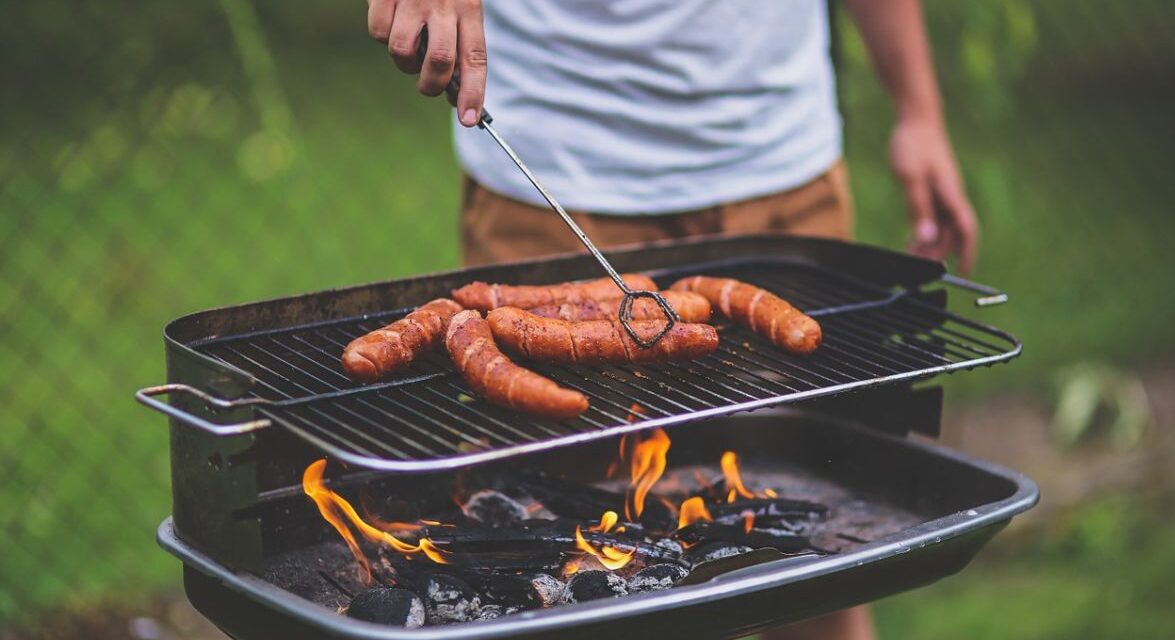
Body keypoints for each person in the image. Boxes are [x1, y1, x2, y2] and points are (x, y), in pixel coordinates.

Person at [366, 1, 977, 637]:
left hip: (781, 166)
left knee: (814, 554)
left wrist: (919, 110)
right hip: (550, 172)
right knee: (560, 562)